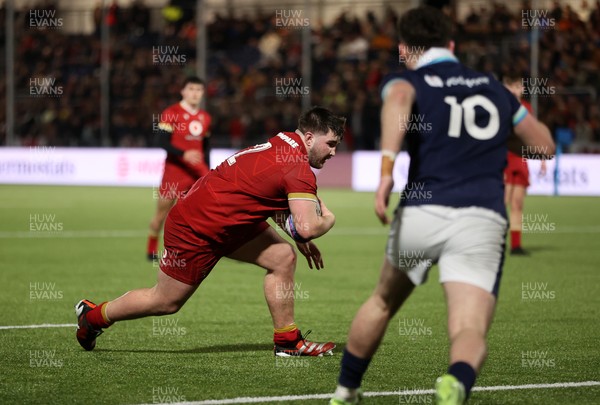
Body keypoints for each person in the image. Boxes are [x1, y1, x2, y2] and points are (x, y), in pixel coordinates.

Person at [330, 6, 554, 405]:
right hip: (481, 217)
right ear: (451, 44)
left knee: (382, 301)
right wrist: (495, 138)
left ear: (404, 48)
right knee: (469, 327)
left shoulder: (408, 79)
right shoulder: (491, 86)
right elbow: (545, 146)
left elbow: (399, 98)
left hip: (422, 210)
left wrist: (385, 171)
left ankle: (346, 390)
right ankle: (455, 382)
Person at [76, 106, 345, 357]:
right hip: (195, 228)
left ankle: (287, 342)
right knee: (165, 302)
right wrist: (328, 220)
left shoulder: (284, 140)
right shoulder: (297, 168)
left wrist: (296, 235)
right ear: (309, 138)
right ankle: (93, 317)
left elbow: (264, 192)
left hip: (226, 220)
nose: (333, 153)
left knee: (282, 257)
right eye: (330, 144)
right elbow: (309, 226)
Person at [147, 76, 212, 260]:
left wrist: (208, 170)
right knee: (162, 213)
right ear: (183, 91)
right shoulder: (171, 112)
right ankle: (151, 250)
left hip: (197, 175)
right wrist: (184, 154)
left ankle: (195, 251)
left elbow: (206, 147)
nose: (195, 93)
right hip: (174, 173)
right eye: (191, 89)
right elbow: (160, 141)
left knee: (198, 215)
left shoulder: (205, 118)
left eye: (198, 90)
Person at [502, 73, 547, 255]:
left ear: (522, 89)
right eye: (511, 86)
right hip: (503, 159)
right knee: (501, 202)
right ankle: (491, 242)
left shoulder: (527, 108)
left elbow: (534, 134)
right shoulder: (500, 107)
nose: (515, 90)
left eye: (518, 87)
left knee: (517, 203)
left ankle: (516, 245)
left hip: (520, 160)